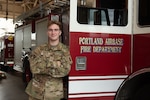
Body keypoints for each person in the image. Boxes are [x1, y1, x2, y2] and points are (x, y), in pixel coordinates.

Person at [25, 20, 72, 100]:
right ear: (47, 32)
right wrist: (55, 64)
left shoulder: (65, 51)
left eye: (56, 30)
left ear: (60, 33)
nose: (53, 33)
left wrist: (44, 64)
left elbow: (65, 71)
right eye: (50, 30)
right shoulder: (39, 49)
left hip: (54, 94)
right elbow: (34, 69)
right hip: (36, 93)